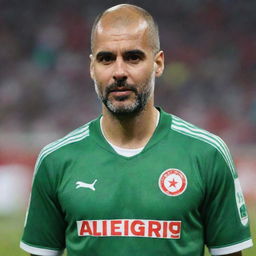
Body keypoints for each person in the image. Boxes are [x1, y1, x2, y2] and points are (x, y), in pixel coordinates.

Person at [20, 4, 253, 256]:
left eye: (133, 57)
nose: (119, 72)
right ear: (91, 67)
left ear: (158, 63)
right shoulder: (56, 160)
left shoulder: (207, 154)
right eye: (106, 58)